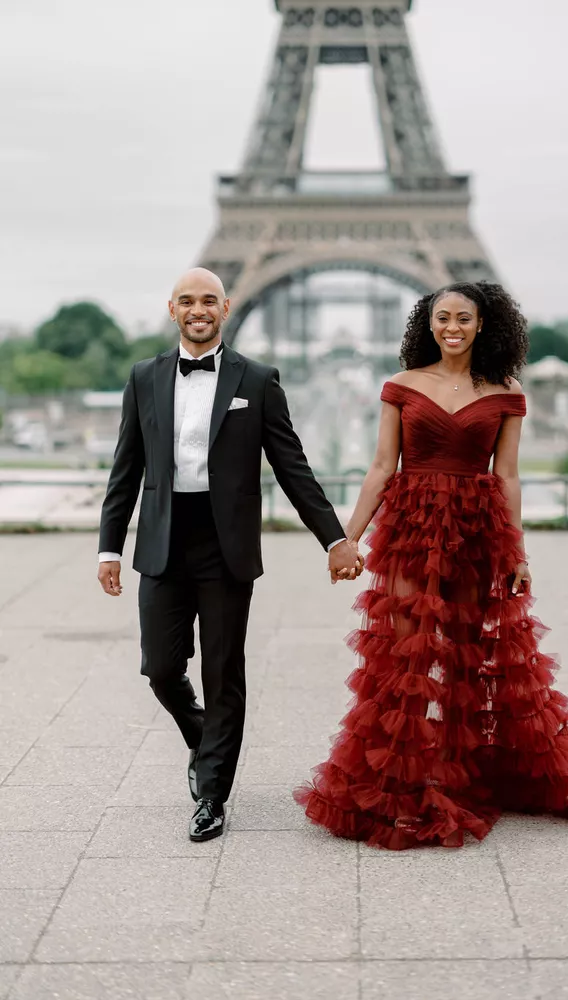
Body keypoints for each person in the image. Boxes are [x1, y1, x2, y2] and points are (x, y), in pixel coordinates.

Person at [294, 281, 568, 849]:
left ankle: (455, 778)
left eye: (463, 318)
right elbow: (380, 469)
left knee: (464, 660)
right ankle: (400, 783)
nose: (452, 328)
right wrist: (345, 540)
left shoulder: (506, 392)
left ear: (482, 324)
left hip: (474, 531)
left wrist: (517, 554)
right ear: (428, 323)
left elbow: (508, 476)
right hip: (412, 527)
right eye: (442, 317)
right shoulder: (402, 385)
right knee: (407, 655)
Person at [98, 268, 362, 842]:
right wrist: (108, 548)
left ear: (226, 307)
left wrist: (335, 538)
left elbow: (292, 468)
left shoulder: (259, 379)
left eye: (209, 301)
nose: (199, 309)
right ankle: (205, 738)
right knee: (162, 669)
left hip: (226, 545)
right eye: (188, 301)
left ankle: (212, 793)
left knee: (223, 673)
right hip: (163, 539)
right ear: (172, 309)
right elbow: (126, 470)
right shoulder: (143, 378)